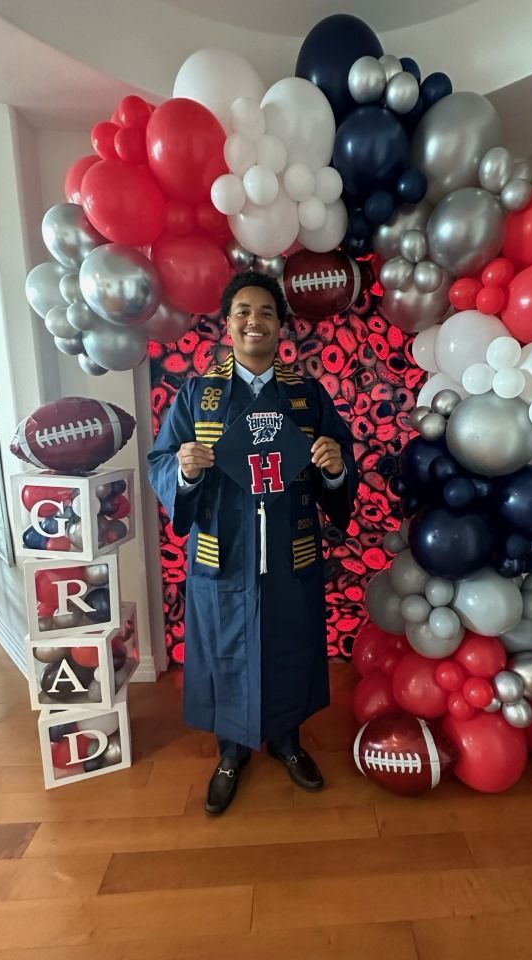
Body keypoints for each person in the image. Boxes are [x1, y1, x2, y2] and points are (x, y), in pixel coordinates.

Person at [148, 271, 358, 815]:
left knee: (288, 642)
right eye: (243, 311)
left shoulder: (307, 395)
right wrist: (185, 471)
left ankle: (287, 744)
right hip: (225, 550)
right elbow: (160, 462)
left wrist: (334, 469)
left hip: (290, 547)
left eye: (266, 312)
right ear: (227, 324)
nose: (254, 321)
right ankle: (232, 752)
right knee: (226, 647)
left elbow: (341, 462)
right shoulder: (198, 393)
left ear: (281, 326)